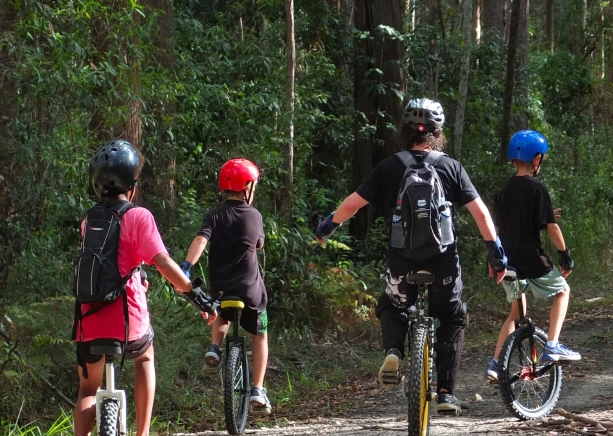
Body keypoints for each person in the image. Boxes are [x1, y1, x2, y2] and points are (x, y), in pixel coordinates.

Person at [315, 99, 507, 415]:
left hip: (402, 260)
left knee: (392, 305)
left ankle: (394, 350)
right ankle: (445, 393)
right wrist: (496, 253)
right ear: (437, 133)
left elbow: (352, 204)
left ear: (403, 131)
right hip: (443, 260)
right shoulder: (450, 167)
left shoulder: (390, 166)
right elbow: (482, 215)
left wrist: (327, 226)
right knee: (452, 316)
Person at [69, 139, 212, 436]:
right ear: (131, 188)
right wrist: (195, 294)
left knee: (89, 387)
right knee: (145, 358)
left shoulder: (89, 220)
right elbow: (162, 263)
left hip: (88, 319)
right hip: (127, 321)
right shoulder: (139, 216)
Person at [485, 129, 579, 385]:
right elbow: (553, 229)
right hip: (529, 259)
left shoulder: (506, 188)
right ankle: (553, 344)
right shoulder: (538, 187)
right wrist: (564, 255)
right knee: (563, 291)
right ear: (536, 159)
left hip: (506, 259)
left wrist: (547, 213)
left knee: (517, 312)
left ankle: (495, 364)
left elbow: (515, 221)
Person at [182, 158, 272, 415]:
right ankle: (257, 389)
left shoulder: (214, 215)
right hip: (250, 288)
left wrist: (187, 265)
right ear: (247, 188)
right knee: (260, 334)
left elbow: (200, 240)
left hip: (220, 286)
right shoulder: (254, 215)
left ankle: (215, 349)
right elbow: (259, 245)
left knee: (220, 310)